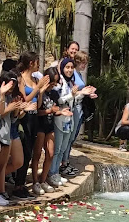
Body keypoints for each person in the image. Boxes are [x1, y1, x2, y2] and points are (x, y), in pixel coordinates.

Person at [14, 51, 49, 199]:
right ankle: (17, 185)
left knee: (31, 151)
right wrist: (37, 88)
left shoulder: (35, 79)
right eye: (36, 62)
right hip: (24, 117)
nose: (38, 65)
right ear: (31, 63)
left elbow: (38, 103)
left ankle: (21, 184)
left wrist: (40, 91)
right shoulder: (21, 78)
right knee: (24, 150)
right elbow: (25, 98)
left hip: (35, 117)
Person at [60, 50, 96, 177]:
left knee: (72, 137)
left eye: (85, 63)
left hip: (79, 107)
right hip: (74, 108)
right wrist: (83, 93)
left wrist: (88, 93)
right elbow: (72, 93)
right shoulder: (73, 74)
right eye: (83, 63)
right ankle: (63, 163)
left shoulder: (79, 75)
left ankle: (66, 160)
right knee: (68, 137)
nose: (84, 65)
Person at [47, 58, 78, 187]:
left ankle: (56, 172)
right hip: (59, 118)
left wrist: (82, 93)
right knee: (57, 148)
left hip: (68, 118)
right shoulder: (59, 82)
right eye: (67, 67)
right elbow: (58, 100)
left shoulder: (70, 82)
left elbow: (72, 98)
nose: (69, 70)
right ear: (62, 68)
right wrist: (72, 94)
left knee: (63, 148)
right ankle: (51, 173)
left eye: (72, 67)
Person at [0, 72, 17, 205]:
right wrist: (8, 108)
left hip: (6, 134)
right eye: (9, 83)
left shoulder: (10, 97)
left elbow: (11, 117)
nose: (11, 87)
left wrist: (17, 109)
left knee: (0, 167)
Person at [32, 67, 61, 195]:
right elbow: (36, 111)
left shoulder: (54, 93)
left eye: (56, 82)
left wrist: (60, 112)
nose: (54, 85)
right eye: (52, 82)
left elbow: (54, 109)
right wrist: (49, 111)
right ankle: (35, 181)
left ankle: (43, 179)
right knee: (37, 154)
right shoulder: (40, 92)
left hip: (50, 124)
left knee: (50, 153)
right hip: (39, 125)